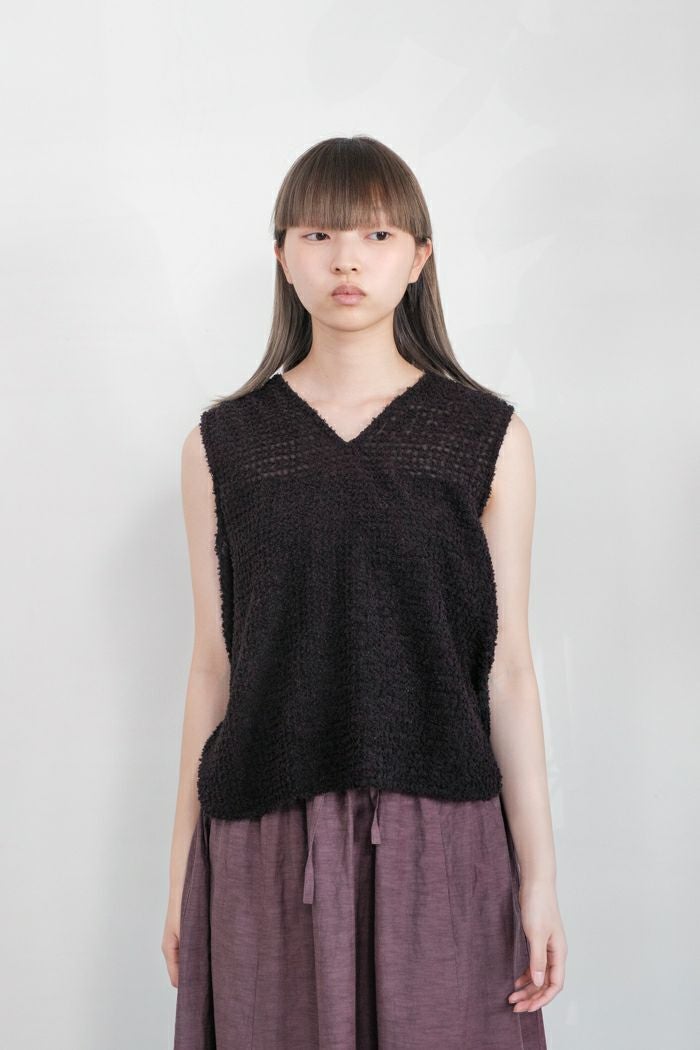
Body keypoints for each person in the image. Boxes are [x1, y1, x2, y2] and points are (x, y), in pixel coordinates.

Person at [163, 135, 566, 1049]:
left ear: (419, 258)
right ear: (282, 255)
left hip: (442, 834)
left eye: (377, 235)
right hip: (264, 834)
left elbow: (508, 672)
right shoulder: (222, 446)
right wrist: (178, 877)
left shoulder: (486, 437)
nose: (347, 259)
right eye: (319, 234)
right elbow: (212, 670)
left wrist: (540, 879)